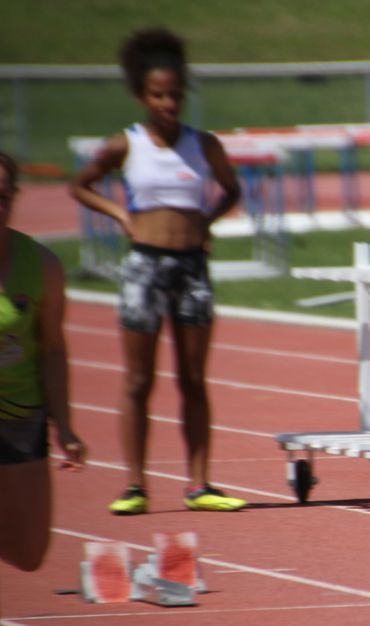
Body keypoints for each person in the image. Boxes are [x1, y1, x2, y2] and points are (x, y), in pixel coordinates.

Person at [70, 28, 245, 514]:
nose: (168, 104)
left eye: (175, 95)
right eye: (158, 95)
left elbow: (231, 190)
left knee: (193, 377)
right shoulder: (125, 144)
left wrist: (206, 220)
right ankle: (135, 485)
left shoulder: (203, 145)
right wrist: (123, 215)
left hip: (192, 267)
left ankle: (199, 484)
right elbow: (80, 185)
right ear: (141, 95)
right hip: (144, 266)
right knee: (137, 380)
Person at [0, 151, 87, 626]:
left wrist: (67, 425)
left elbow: (53, 348)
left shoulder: (41, 266)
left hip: (22, 414)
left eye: (5, 192)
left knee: (29, 553)